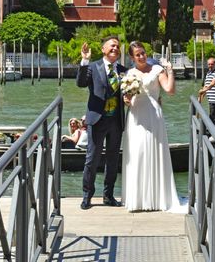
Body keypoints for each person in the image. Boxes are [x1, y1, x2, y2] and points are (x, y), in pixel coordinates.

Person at [121, 41, 180, 212]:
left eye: (143, 53)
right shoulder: (129, 74)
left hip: (153, 114)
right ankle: (138, 199)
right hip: (135, 116)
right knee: (138, 153)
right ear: (132, 57)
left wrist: (169, 70)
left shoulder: (157, 70)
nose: (141, 56)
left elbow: (170, 90)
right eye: (137, 54)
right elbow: (128, 97)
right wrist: (126, 100)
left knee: (154, 151)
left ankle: (157, 199)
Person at [76, 36, 127, 210]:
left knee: (112, 160)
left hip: (116, 120)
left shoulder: (123, 70)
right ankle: (87, 195)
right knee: (92, 159)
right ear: (103, 48)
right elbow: (81, 83)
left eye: (118, 47)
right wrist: (85, 60)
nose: (115, 48)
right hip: (97, 119)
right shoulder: (93, 67)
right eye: (112, 46)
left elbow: (127, 92)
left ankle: (108, 195)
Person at [199, 57, 215, 129]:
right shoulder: (208, 73)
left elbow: (213, 83)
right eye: (209, 64)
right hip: (211, 99)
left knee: (213, 116)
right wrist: (200, 97)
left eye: (211, 64)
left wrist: (203, 91)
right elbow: (206, 86)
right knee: (214, 116)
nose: (210, 65)